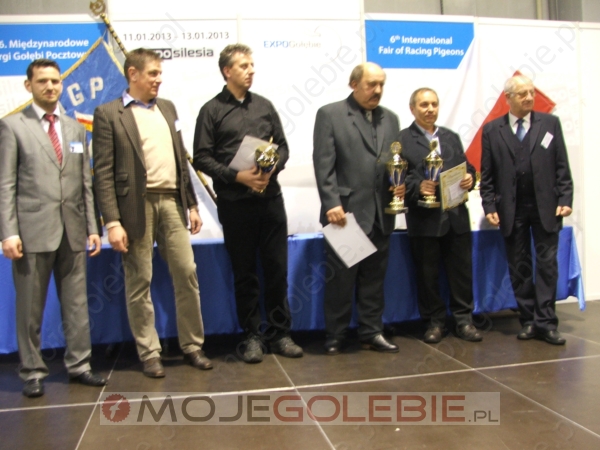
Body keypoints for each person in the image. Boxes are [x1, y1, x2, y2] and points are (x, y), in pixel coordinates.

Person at [92, 48, 211, 377]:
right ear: (133, 74)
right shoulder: (108, 113)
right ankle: (149, 352)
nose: (159, 79)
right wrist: (112, 222)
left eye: (160, 73)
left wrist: (191, 204)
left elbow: (181, 159)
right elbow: (103, 173)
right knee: (139, 280)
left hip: (172, 202)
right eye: (153, 73)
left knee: (186, 271)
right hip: (135, 207)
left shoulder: (168, 108)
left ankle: (193, 346)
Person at [0, 59, 107, 397]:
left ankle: (80, 365)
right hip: (31, 232)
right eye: (42, 81)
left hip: (73, 230)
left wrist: (93, 226)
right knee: (30, 308)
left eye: (55, 81)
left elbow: (85, 182)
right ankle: (32, 371)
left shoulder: (75, 128)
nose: (50, 87)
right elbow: (5, 184)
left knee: (77, 305)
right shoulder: (12, 126)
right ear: (28, 85)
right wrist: (8, 232)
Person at [193, 44, 302, 363]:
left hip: (270, 199)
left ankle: (280, 334)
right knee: (245, 273)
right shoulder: (211, 110)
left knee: (277, 269)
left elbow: (283, 147)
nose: (251, 70)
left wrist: (271, 169)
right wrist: (238, 177)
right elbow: (201, 157)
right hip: (234, 203)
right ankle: (252, 335)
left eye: (252, 65)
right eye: (243, 66)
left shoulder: (264, 106)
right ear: (227, 71)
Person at [312, 62, 403, 355]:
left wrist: (398, 185)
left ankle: (372, 332)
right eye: (371, 84)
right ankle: (336, 335)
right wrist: (331, 203)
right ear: (353, 84)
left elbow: (393, 164)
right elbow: (323, 164)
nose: (377, 90)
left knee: (374, 280)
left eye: (381, 84)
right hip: (345, 214)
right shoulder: (331, 114)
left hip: (381, 213)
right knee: (342, 280)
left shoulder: (391, 118)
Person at [481, 75, 573, 345]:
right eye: (522, 94)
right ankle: (529, 319)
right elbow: (487, 175)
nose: (529, 98)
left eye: (531, 92)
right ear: (508, 98)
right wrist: (489, 204)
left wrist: (565, 197)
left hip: (547, 207)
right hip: (511, 209)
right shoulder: (492, 130)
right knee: (519, 266)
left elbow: (561, 165)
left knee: (547, 265)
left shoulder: (550, 124)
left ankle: (546, 322)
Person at [399, 87, 482, 344]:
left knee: (461, 274)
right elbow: (395, 180)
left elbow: (467, 167)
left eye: (434, 104)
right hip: (424, 220)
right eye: (424, 105)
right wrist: (417, 187)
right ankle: (434, 322)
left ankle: (464, 321)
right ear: (412, 109)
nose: (430, 109)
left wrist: (470, 177)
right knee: (427, 276)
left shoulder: (450, 137)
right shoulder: (401, 140)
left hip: (456, 218)